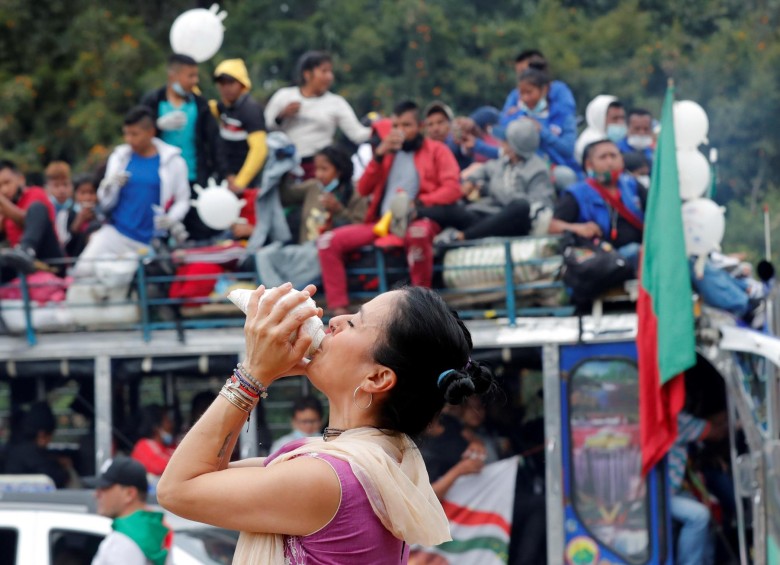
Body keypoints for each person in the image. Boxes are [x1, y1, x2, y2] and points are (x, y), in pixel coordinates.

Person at [157, 283, 497, 563]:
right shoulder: (362, 462)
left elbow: (178, 489)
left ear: (377, 378)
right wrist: (260, 371)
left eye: (354, 323)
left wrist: (253, 374)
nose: (334, 320)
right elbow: (207, 474)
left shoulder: (329, 478)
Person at [317, 100, 461, 315]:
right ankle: (339, 311)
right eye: (395, 126)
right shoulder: (386, 152)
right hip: (380, 223)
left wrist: (419, 203)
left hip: (418, 218)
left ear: (420, 126)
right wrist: (378, 156)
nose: (400, 131)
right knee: (327, 241)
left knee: (418, 233)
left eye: (406, 125)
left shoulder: (437, 151)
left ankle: (423, 308)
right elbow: (364, 189)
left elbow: (452, 189)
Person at [72, 107, 190, 278]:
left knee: (137, 288)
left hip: (150, 241)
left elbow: (183, 200)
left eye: (134, 134)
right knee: (83, 271)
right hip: (117, 233)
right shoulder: (119, 157)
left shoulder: (174, 161)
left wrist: (171, 218)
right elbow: (105, 203)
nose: (129, 139)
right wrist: (108, 186)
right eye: (126, 134)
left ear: (151, 132)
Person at [433, 118, 554, 244]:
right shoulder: (505, 161)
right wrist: (471, 181)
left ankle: (465, 236)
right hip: (489, 214)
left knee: (521, 206)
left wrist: (489, 188)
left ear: (516, 146)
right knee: (456, 209)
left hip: (513, 222)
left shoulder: (538, 170)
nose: (502, 144)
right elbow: (485, 169)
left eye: (506, 141)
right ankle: (418, 213)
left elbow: (535, 208)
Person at [141, 53, 218, 241]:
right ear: (173, 76)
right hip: (160, 179)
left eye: (196, 75)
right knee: (158, 231)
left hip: (193, 176)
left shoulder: (200, 105)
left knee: (196, 230)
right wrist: (155, 126)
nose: (195, 81)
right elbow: (136, 133)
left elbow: (214, 142)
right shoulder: (153, 101)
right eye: (190, 76)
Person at [264, 51, 371, 178]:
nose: (329, 77)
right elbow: (266, 127)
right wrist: (281, 116)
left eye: (330, 72)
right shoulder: (284, 96)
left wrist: (381, 128)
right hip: (285, 166)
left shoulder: (336, 103)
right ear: (307, 74)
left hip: (319, 169)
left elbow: (357, 135)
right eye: (324, 71)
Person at [499, 68, 580, 181]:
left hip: (557, 170)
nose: (525, 98)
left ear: (544, 90)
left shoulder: (563, 116)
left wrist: (542, 131)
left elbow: (567, 150)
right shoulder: (515, 117)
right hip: (523, 170)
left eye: (529, 92)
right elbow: (502, 139)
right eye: (521, 93)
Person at [668, 411, 727, 565]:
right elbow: (715, 433)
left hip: (676, 488)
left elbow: (702, 424)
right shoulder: (677, 419)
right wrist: (736, 423)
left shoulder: (675, 417)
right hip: (663, 493)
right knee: (699, 516)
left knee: (710, 506)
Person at [92, 456, 172, 565]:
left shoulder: (121, 542)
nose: (96, 494)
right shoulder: (154, 529)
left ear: (129, 494)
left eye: (105, 488)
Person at [210, 59, 268, 195]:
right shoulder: (224, 106)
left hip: (246, 184)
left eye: (231, 83)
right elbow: (204, 104)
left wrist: (240, 182)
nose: (226, 88)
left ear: (242, 84)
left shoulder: (250, 109)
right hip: (227, 178)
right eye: (222, 83)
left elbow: (259, 150)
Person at [0, 160, 63, 280]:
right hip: (21, 267)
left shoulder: (35, 193)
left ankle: (27, 250)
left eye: (7, 183)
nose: (4, 190)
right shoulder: (6, 208)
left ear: (21, 179)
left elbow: (25, 220)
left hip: (48, 259)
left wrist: (3, 202)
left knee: (37, 208)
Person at [3, 401, 76, 488]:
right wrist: (62, 466)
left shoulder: (10, 450)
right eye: (50, 436)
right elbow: (60, 479)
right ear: (42, 435)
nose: (50, 441)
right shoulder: (35, 456)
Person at [500, 50, 576, 129]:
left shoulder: (559, 91)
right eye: (518, 73)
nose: (525, 98)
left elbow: (567, 116)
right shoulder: (515, 94)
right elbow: (504, 118)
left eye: (524, 71)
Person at [574, 95, 626, 163]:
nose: (620, 123)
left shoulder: (613, 140)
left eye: (622, 118)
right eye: (615, 118)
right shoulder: (590, 143)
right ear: (600, 119)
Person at [130, 405, 176, 478]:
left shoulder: (169, 446)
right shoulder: (143, 445)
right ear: (157, 427)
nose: (171, 424)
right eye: (167, 420)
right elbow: (158, 468)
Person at [66, 173, 103, 257]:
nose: (87, 197)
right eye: (82, 193)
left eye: (91, 192)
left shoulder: (102, 214)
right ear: (75, 194)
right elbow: (65, 243)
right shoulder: (68, 214)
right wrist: (78, 221)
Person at [44, 161, 75, 245]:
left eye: (65, 185)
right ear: (47, 188)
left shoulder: (76, 209)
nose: (61, 190)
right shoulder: (44, 210)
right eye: (56, 185)